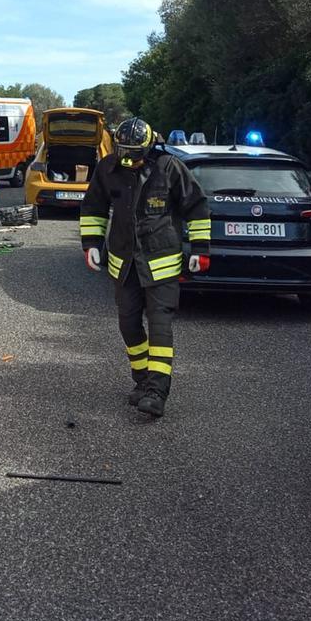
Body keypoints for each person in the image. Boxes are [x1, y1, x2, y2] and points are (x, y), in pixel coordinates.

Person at [79, 117, 210, 418]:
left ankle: (157, 392)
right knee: (128, 323)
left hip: (161, 261)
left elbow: (197, 206)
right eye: (123, 151)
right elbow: (94, 207)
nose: (128, 158)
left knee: (160, 324)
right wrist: (91, 244)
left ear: (148, 148)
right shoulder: (108, 169)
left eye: (134, 153)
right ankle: (142, 379)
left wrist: (201, 249)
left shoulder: (169, 168)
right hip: (124, 263)